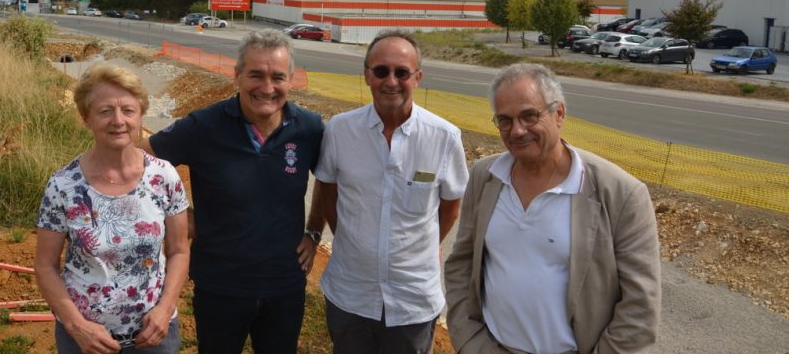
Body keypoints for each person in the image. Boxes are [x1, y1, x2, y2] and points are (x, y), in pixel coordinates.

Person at [444, 62, 661, 353]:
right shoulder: (485, 176)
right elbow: (461, 263)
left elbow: (640, 308)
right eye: (505, 120)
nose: (518, 130)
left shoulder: (621, 193)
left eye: (529, 116)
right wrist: (469, 341)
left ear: (559, 113)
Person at [140, 29, 325, 354]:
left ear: (291, 80)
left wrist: (313, 231)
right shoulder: (203, 126)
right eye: (255, 75)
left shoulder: (309, 128)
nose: (267, 88)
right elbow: (136, 161)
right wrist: (179, 217)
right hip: (220, 285)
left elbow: (330, 178)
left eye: (278, 77)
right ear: (237, 75)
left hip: (285, 285)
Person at [312, 30, 469, 354]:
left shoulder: (444, 137)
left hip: (412, 300)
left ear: (418, 77)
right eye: (381, 71)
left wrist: (418, 247)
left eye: (402, 72)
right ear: (367, 75)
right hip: (350, 294)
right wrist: (351, 241)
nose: (391, 81)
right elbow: (327, 190)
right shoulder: (340, 130)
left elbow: (450, 206)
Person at [35, 64, 190, 354]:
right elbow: (45, 265)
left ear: (141, 115)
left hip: (154, 335)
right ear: (86, 119)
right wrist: (77, 326)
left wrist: (165, 310)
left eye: (128, 110)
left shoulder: (164, 177)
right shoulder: (63, 185)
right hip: (86, 341)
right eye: (105, 111)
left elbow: (180, 250)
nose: (118, 121)